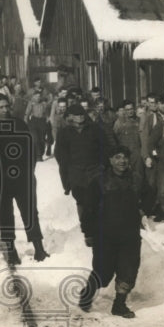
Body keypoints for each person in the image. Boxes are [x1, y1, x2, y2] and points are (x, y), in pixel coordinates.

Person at [0, 93, 49, 265]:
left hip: (24, 179)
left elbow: (31, 150)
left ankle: (39, 248)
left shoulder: (19, 124)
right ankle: (11, 251)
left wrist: (29, 171)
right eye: (0, 107)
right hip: (2, 181)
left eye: (6, 106)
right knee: (5, 215)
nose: (5, 110)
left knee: (30, 212)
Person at [79, 146, 145, 318]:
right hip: (105, 235)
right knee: (103, 271)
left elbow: (149, 196)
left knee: (128, 269)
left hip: (129, 234)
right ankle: (87, 294)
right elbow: (88, 209)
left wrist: (143, 210)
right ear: (110, 160)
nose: (122, 161)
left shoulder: (136, 179)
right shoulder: (100, 181)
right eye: (117, 157)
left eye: (125, 157)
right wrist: (88, 233)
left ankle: (119, 304)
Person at [55, 103, 107, 246]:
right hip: (76, 173)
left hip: (94, 171)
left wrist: (103, 167)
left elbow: (105, 149)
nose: (80, 117)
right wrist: (66, 181)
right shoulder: (64, 133)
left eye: (82, 114)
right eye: (76, 115)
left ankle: (97, 230)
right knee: (82, 201)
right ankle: (88, 232)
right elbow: (61, 157)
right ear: (70, 117)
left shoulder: (95, 130)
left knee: (95, 201)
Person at [23, 85, 53, 160]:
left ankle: (41, 152)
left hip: (42, 122)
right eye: (36, 96)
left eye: (39, 96)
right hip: (34, 121)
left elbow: (47, 112)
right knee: (35, 139)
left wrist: (47, 119)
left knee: (42, 139)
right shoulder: (31, 103)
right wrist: (26, 122)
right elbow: (27, 113)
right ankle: (38, 155)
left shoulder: (44, 103)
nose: (37, 98)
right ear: (33, 97)